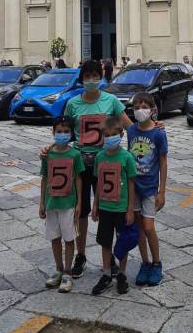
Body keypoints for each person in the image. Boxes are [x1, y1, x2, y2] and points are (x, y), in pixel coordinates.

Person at [43, 59, 131, 279]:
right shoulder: (73, 104)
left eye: (95, 76)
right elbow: (64, 133)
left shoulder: (111, 101)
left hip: (106, 164)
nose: (92, 80)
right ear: (81, 79)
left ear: (101, 78)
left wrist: (152, 125)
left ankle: (110, 256)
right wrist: (51, 146)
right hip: (80, 164)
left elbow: (130, 126)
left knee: (109, 210)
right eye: (87, 76)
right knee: (80, 212)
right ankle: (80, 255)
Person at [91, 117, 137, 296]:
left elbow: (132, 184)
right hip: (105, 207)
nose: (110, 138)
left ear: (121, 134)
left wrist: (130, 209)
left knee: (122, 241)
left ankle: (122, 274)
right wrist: (95, 205)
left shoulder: (127, 157)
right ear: (102, 136)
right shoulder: (100, 157)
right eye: (106, 135)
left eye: (113, 135)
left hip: (121, 208)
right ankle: (107, 273)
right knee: (105, 241)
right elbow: (99, 183)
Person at [39, 118, 84, 293]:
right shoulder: (47, 154)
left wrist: (79, 202)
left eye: (66, 131)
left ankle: (67, 272)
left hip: (69, 204)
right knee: (54, 237)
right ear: (53, 133)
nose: (62, 134)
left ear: (71, 134)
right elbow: (44, 178)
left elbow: (78, 179)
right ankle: (58, 269)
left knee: (69, 238)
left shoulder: (75, 155)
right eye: (59, 131)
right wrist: (42, 203)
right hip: (52, 203)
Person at [128, 93, 168, 287]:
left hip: (150, 187)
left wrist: (162, 191)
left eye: (144, 106)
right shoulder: (130, 131)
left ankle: (157, 263)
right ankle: (145, 263)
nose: (139, 110)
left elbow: (163, 161)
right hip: (133, 187)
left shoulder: (158, 133)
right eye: (136, 107)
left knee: (149, 227)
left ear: (152, 110)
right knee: (138, 230)